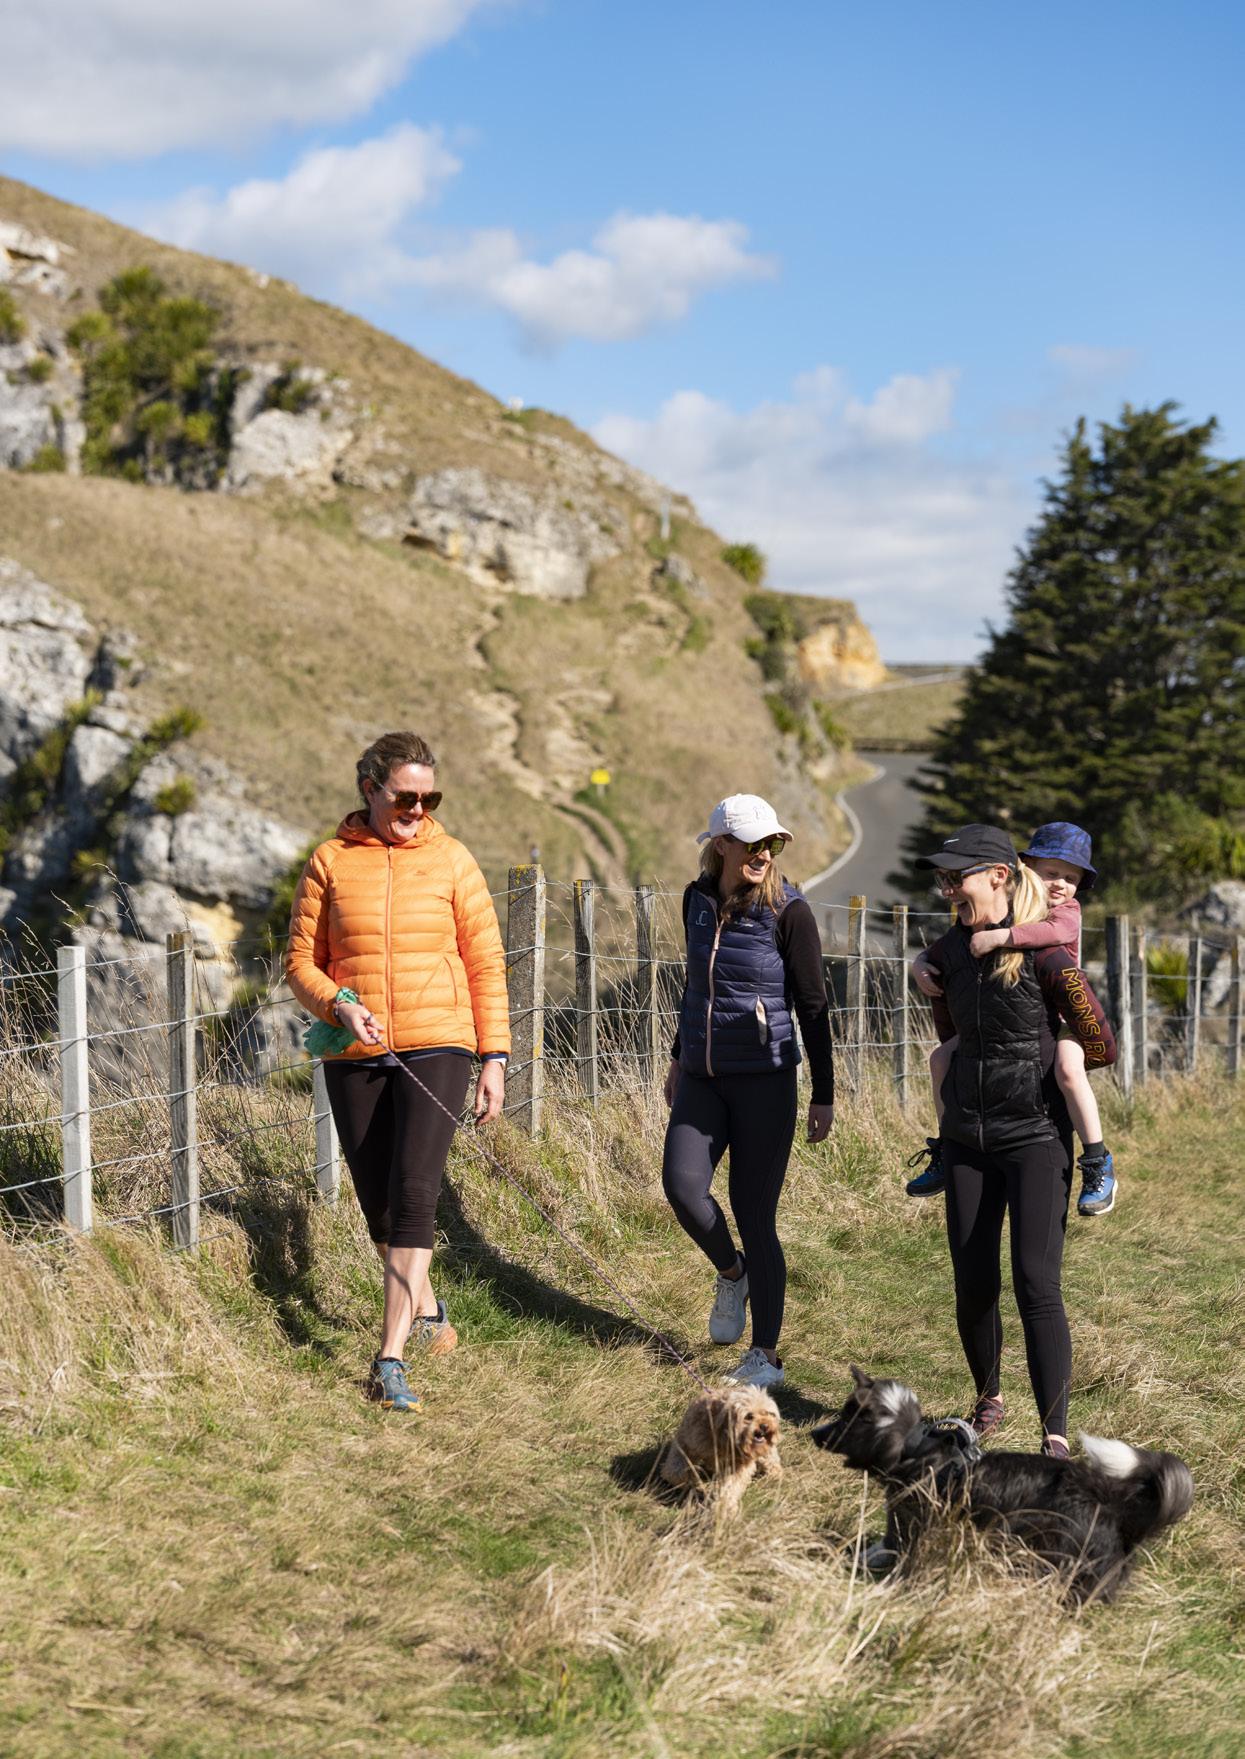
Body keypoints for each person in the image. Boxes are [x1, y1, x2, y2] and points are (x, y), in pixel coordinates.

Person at [286, 731, 510, 1414]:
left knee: (415, 1191)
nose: (417, 809)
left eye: (428, 799)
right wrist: (338, 1003)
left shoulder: (452, 860)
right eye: (405, 796)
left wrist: (494, 1057)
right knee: (378, 1203)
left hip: (440, 1042)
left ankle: (389, 1358)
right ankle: (431, 1310)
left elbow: (485, 963)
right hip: (355, 1047)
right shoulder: (329, 861)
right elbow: (300, 964)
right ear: (370, 789)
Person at [910, 824, 1116, 1457]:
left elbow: (1103, 1044)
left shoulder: (1049, 953)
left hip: (1035, 1138)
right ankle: (988, 1402)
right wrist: (921, 970)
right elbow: (949, 1029)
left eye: (957, 877)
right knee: (973, 1283)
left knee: (1036, 1284)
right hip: (966, 1139)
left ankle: (1055, 1437)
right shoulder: (949, 951)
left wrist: (1062, 1053)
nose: (947, 887)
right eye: (942, 878)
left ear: (998, 875)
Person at [662, 794, 835, 1391]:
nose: (764, 853)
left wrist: (823, 1093)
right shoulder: (697, 900)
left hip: (766, 1080)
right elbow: (696, 986)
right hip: (703, 1076)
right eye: (754, 843)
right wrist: (679, 1057)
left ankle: (765, 1356)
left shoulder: (791, 912)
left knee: (755, 1214)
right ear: (722, 846)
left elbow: (813, 1005)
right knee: (682, 1188)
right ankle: (733, 1273)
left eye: (773, 843)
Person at [906, 822, 1116, 1216]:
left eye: (1071, 878)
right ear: (1026, 867)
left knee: (1069, 1069)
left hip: (1060, 1021)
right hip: (1005, 1024)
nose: (1060, 884)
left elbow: (1053, 932)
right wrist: (920, 963)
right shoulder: (1008, 905)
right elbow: (947, 946)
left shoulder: (1066, 912)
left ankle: (1096, 1158)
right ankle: (945, 1146)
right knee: (940, 1058)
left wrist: (1001, 938)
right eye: (1051, 872)